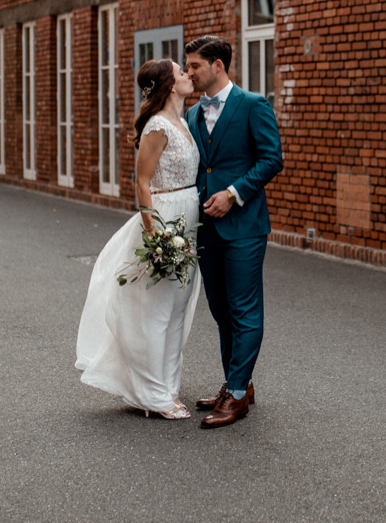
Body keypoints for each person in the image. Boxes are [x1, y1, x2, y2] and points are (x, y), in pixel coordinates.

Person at [75, 59, 202, 420]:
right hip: (165, 218)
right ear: (168, 84)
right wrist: (155, 235)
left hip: (188, 214)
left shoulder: (183, 122)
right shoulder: (157, 126)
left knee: (179, 307)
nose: (187, 75)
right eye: (181, 72)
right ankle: (152, 394)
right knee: (157, 312)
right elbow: (142, 182)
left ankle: (168, 387)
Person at [184, 35, 283, 429]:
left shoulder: (253, 105)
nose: (189, 72)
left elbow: (272, 159)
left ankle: (238, 396)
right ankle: (238, 382)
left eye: (194, 66)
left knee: (244, 309)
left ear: (218, 66)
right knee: (221, 310)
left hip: (243, 226)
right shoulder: (193, 114)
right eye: (187, 66)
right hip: (207, 228)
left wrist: (233, 192)